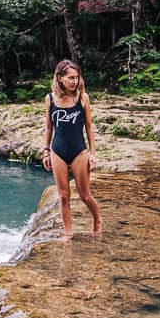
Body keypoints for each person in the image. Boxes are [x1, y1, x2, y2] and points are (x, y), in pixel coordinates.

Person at [42, 59, 102, 238]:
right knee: (63, 196)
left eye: (77, 77)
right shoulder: (50, 98)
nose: (74, 81)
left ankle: (97, 220)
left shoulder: (82, 98)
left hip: (79, 151)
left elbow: (89, 127)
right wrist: (46, 151)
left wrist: (92, 153)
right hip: (57, 151)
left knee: (84, 195)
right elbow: (48, 127)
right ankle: (68, 233)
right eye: (70, 78)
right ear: (59, 78)